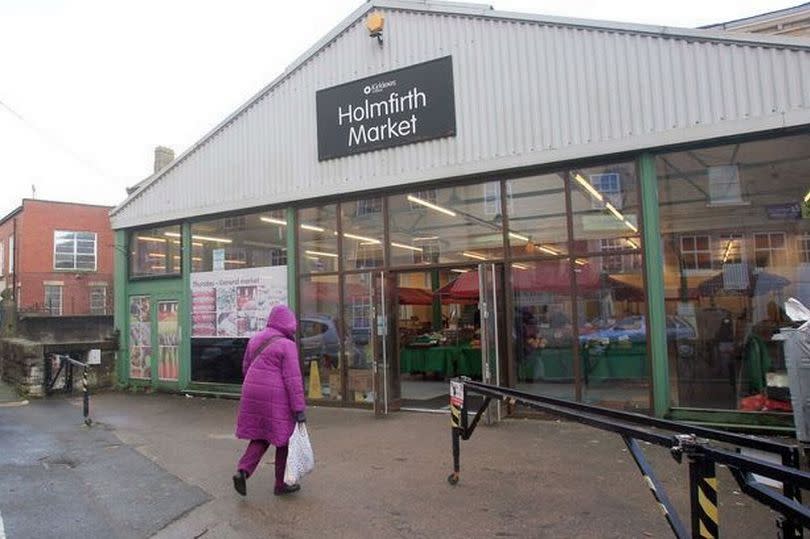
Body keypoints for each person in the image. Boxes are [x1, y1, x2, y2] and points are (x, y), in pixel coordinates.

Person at [233, 304, 306, 497]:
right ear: (290, 323)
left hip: (252, 392)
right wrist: (299, 409)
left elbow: (245, 367)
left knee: (261, 436)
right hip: (275, 396)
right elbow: (293, 379)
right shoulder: (287, 345)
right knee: (284, 438)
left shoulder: (255, 339)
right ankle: (281, 484)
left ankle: (243, 471)